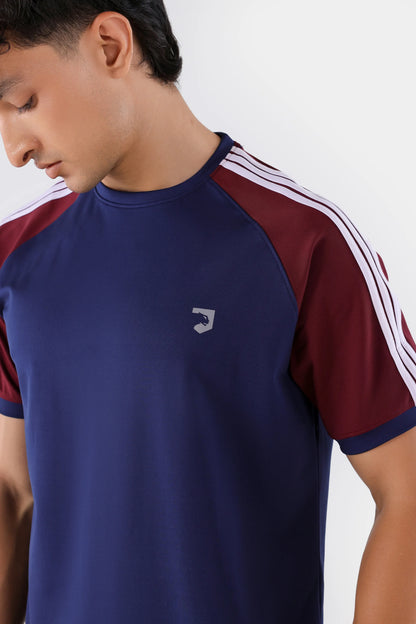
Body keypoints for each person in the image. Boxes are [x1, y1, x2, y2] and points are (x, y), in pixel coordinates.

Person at [0, 2, 415, 623]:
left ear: (111, 45)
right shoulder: (15, 255)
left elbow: (406, 489)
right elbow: (13, 492)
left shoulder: (304, 243)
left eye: (22, 101)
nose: (14, 150)